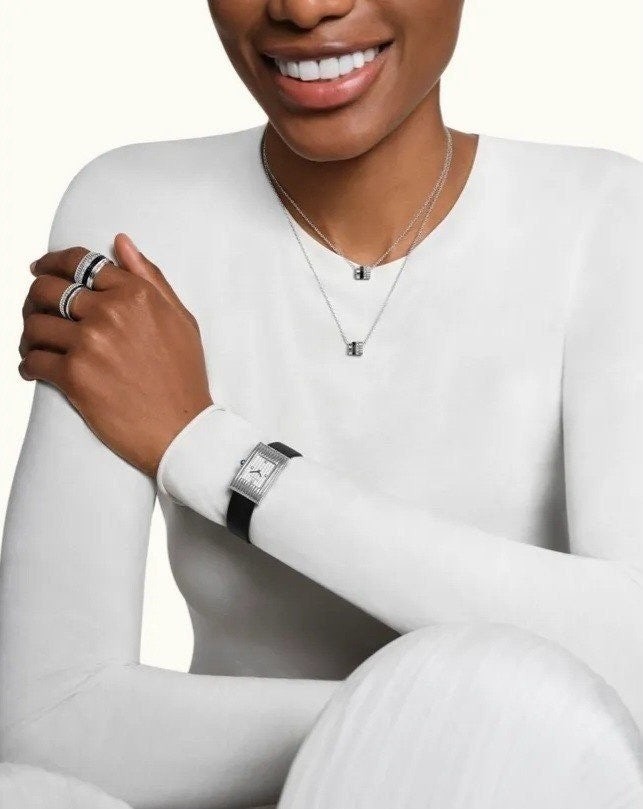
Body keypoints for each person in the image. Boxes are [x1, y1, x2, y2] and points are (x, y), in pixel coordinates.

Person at [1, 0, 642, 806]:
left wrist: (205, 447)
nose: (304, 8)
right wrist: (480, 739)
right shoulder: (139, 211)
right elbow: (46, 719)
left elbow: (635, 661)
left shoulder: (604, 217)